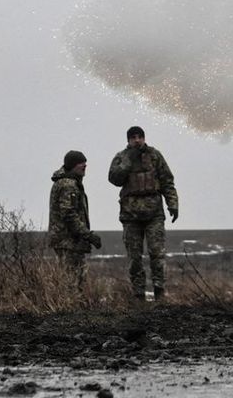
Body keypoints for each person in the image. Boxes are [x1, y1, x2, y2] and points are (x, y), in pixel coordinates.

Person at [108, 126, 179, 302]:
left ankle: (159, 293)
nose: (137, 140)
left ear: (144, 138)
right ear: (128, 140)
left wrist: (173, 204)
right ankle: (138, 295)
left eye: (140, 137)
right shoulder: (121, 157)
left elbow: (167, 181)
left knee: (157, 254)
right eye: (133, 137)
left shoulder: (155, 155)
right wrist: (128, 162)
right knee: (134, 257)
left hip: (154, 213)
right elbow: (114, 179)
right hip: (130, 216)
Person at [48, 150, 101, 289]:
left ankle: (72, 306)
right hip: (68, 241)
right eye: (80, 163)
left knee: (73, 279)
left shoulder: (68, 183)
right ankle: (70, 308)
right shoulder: (68, 185)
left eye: (85, 162)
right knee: (72, 281)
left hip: (69, 241)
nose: (84, 165)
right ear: (72, 165)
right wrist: (88, 235)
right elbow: (68, 215)